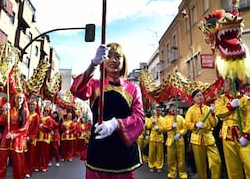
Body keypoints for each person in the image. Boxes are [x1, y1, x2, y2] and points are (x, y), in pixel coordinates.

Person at [70, 43, 145, 179]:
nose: (113, 60)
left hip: (124, 153)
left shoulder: (133, 88)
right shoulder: (94, 84)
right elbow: (77, 90)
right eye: (108, 56)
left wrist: (115, 124)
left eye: (118, 56)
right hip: (98, 150)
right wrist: (93, 64)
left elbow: (139, 120)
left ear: (124, 61)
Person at [214, 77, 250, 179]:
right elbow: (218, 113)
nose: (223, 84)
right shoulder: (220, 99)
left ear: (232, 84)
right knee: (233, 169)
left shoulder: (247, 100)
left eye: (226, 82)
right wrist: (230, 106)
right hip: (228, 137)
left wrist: (246, 135)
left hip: (244, 137)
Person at [184, 89, 221, 179]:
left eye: (201, 95)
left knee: (216, 161)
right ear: (193, 99)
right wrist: (195, 125)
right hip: (197, 138)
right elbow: (186, 124)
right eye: (197, 96)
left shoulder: (208, 109)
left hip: (209, 137)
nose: (200, 97)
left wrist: (212, 113)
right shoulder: (191, 110)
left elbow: (214, 123)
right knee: (200, 165)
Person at [0, 91, 29, 179]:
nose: (19, 100)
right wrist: (4, 111)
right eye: (18, 98)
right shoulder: (9, 110)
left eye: (21, 98)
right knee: (2, 161)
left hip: (17, 140)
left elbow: (25, 127)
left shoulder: (25, 111)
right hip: (6, 139)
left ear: (23, 99)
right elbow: (0, 122)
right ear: (14, 99)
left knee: (18, 162)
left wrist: (13, 134)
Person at [162, 101, 188, 179]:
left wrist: (180, 134)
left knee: (181, 158)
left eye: (174, 107)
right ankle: (172, 173)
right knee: (170, 159)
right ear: (169, 108)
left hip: (179, 140)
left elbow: (185, 128)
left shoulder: (180, 118)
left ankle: (182, 173)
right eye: (172, 107)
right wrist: (171, 127)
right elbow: (163, 128)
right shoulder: (166, 118)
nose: (173, 108)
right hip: (170, 140)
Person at [146, 104, 165, 173]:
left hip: (160, 138)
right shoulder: (152, 118)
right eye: (157, 110)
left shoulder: (163, 119)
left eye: (159, 110)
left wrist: (159, 129)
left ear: (161, 111)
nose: (158, 111)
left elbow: (164, 128)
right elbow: (148, 126)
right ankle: (151, 165)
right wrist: (152, 123)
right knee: (151, 153)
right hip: (152, 138)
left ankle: (159, 166)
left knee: (160, 154)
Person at [24, 98, 40, 177]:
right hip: (23, 137)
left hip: (31, 139)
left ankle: (28, 171)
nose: (31, 106)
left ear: (36, 106)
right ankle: (23, 170)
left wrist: (30, 137)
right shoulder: (25, 114)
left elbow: (36, 129)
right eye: (30, 105)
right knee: (24, 155)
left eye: (33, 105)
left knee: (30, 156)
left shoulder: (36, 116)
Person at [36, 105, 53, 172]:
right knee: (38, 153)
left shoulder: (49, 119)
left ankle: (44, 166)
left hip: (45, 138)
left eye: (47, 111)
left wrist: (42, 126)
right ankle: (37, 166)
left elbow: (49, 128)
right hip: (38, 138)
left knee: (44, 153)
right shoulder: (40, 118)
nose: (45, 112)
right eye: (45, 111)